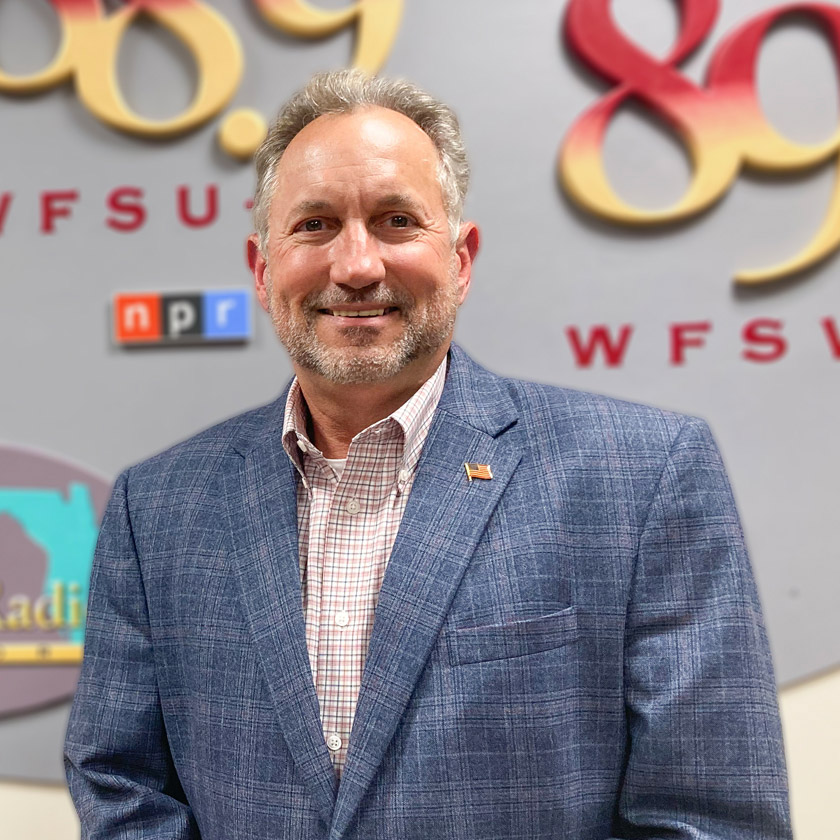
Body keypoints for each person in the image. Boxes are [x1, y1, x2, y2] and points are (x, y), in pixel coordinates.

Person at [65, 70, 791, 840]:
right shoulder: (158, 507)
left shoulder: (641, 479)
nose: (355, 265)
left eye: (395, 221)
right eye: (314, 225)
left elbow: (713, 819)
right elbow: (122, 787)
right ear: (261, 268)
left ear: (463, 258)